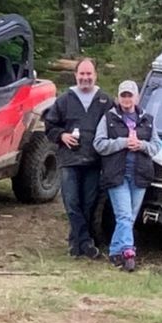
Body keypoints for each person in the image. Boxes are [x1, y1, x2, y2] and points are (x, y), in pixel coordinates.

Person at [45, 58, 113, 259]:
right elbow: (49, 126)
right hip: (70, 161)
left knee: (89, 204)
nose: (85, 78)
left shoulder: (105, 101)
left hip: (94, 162)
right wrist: (61, 136)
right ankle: (85, 243)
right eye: (82, 74)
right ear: (76, 75)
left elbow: (114, 126)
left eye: (89, 74)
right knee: (72, 203)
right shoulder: (65, 99)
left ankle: (77, 245)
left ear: (95, 75)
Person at [94, 79, 158, 272]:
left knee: (129, 217)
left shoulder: (148, 120)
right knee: (123, 215)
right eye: (124, 95)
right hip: (116, 174)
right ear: (118, 98)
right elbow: (99, 144)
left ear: (137, 98)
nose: (127, 99)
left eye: (130, 95)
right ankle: (129, 253)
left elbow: (156, 146)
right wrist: (122, 143)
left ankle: (115, 251)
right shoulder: (108, 119)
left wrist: (142, 145)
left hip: (139, 175)